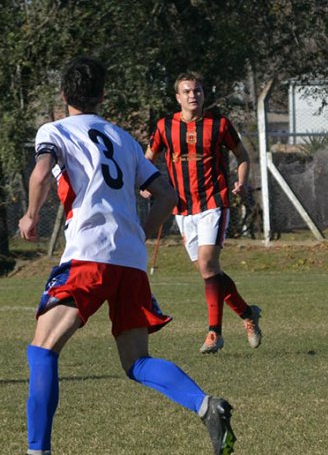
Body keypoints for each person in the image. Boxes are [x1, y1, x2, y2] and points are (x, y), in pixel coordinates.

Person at [18, 57, 236, 455]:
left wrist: (31, 215)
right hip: (131, 262)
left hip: (88, 256)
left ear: (64, 95)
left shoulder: (55, 130)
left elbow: (40, 172)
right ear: (102, 96)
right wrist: (140, 232)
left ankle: (38, 450)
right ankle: (207, 406)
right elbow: (167, 195)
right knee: (136, 362)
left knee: (42, 349)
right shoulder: (123, 138)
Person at [145, 72, 262, 354]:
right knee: (209, 272)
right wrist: (146, 184)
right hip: (183, 208)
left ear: (203, 94)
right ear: (177, 97)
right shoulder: (164, 127)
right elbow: (147, 159)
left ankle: (214, 333)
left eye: (196, 90)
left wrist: (241, 182)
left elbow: (243, 156)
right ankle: (247, 314)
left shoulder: (219, 124)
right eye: (186, 91)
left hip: (214, 201)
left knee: (209, 264)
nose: (192, 95)